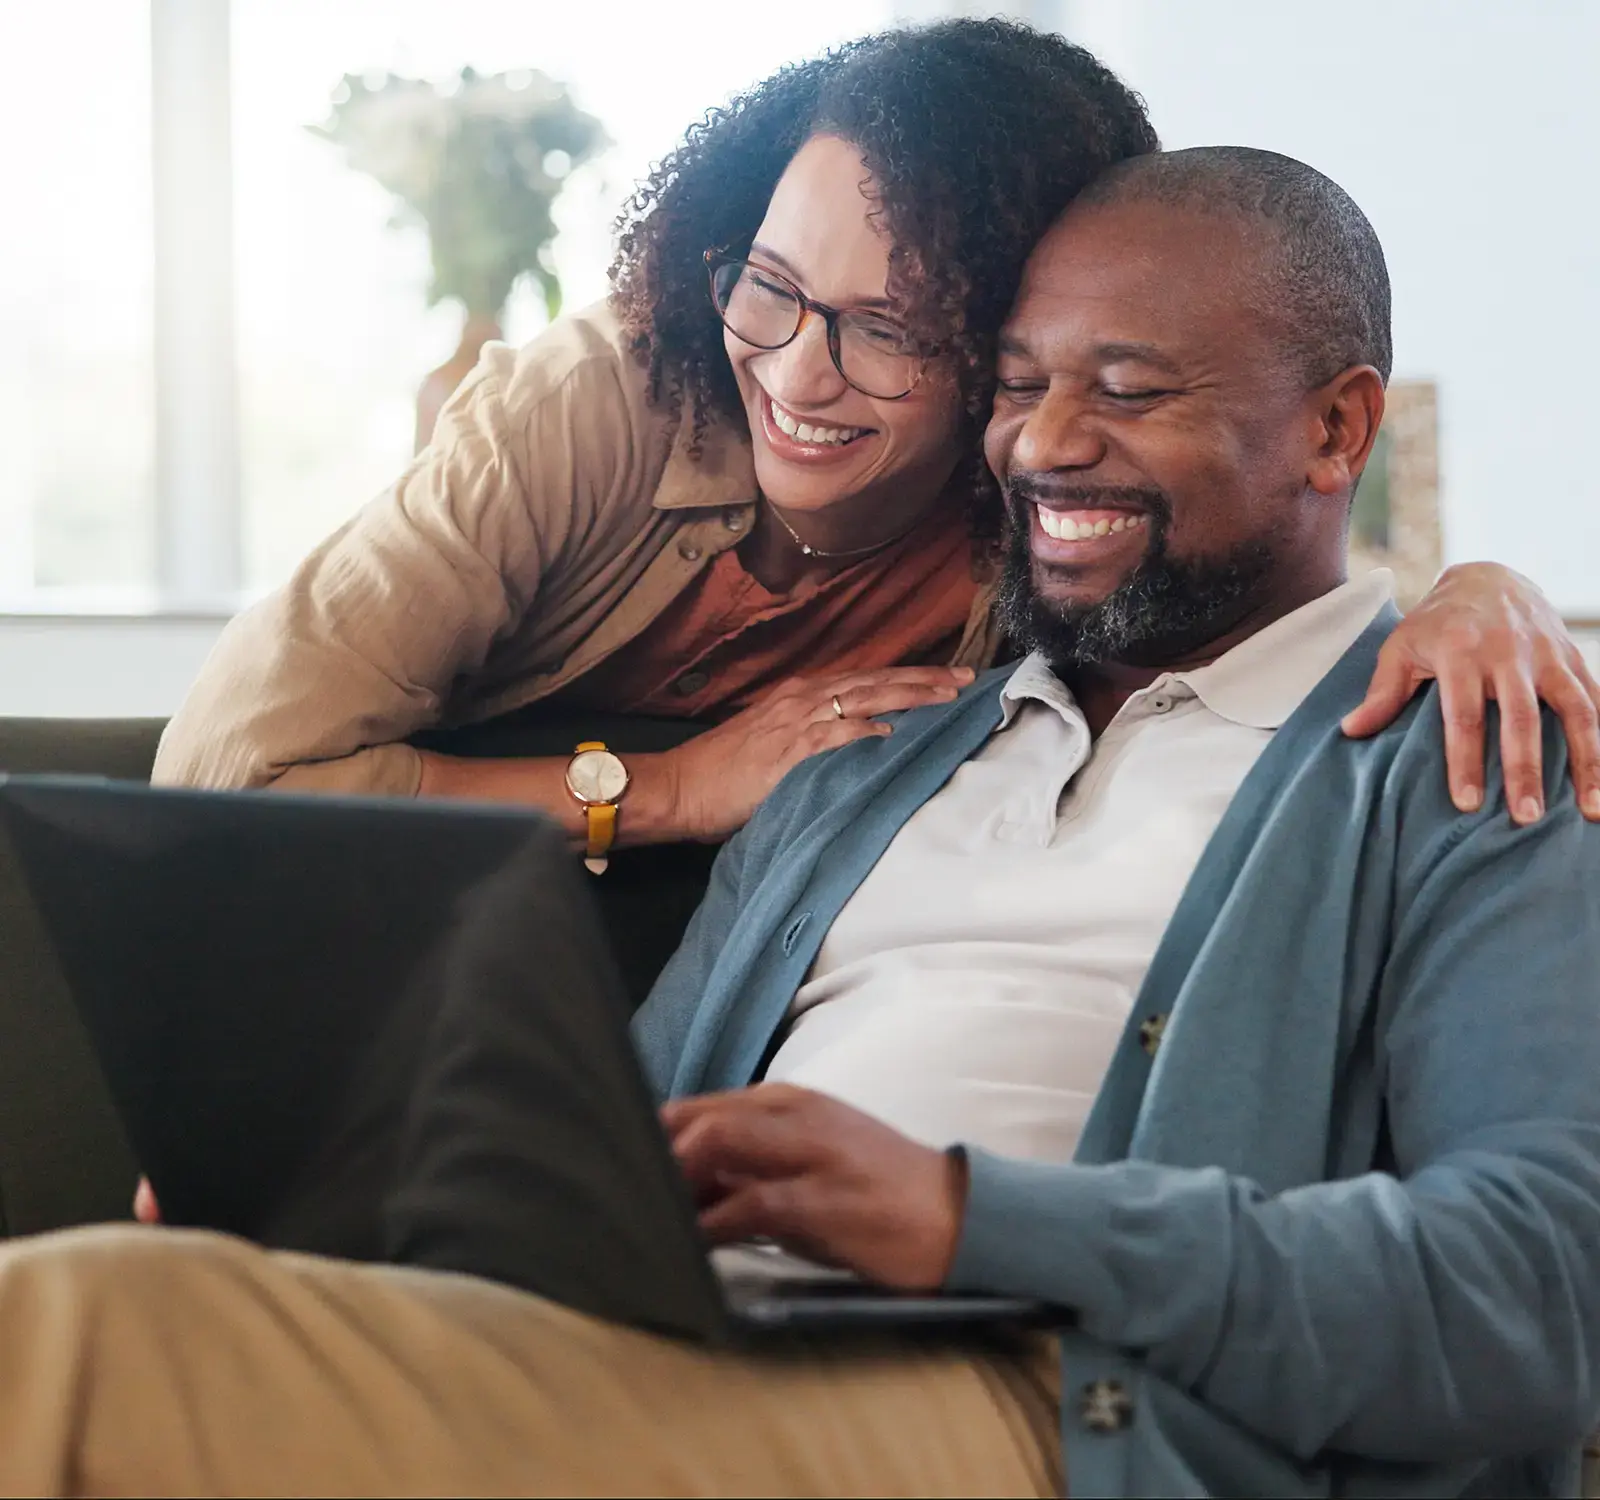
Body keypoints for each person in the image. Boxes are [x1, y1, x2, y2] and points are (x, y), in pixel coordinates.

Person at [3, 144, 1597, 1499]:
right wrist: (360, 1208)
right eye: (1020, 386)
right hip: (686, 1348)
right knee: (140, 1287)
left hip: (1071, 1412)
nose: (1047, 442)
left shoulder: (1464, 747)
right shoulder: (868, 758)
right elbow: (621, 1153)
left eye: (1129, 391)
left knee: (65, 1337)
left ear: (1337, 430)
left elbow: (1545, 1292)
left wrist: (968, 1220)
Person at [151, 19, 1600, 863]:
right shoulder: (602, 393)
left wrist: (1487, 592)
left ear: (1005, 336)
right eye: (771, 285)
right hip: (434, 916)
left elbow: (1260, 584)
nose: (796, 369)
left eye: (890, 328)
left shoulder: (1038, 494)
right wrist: (668, 788)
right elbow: (227, 777)